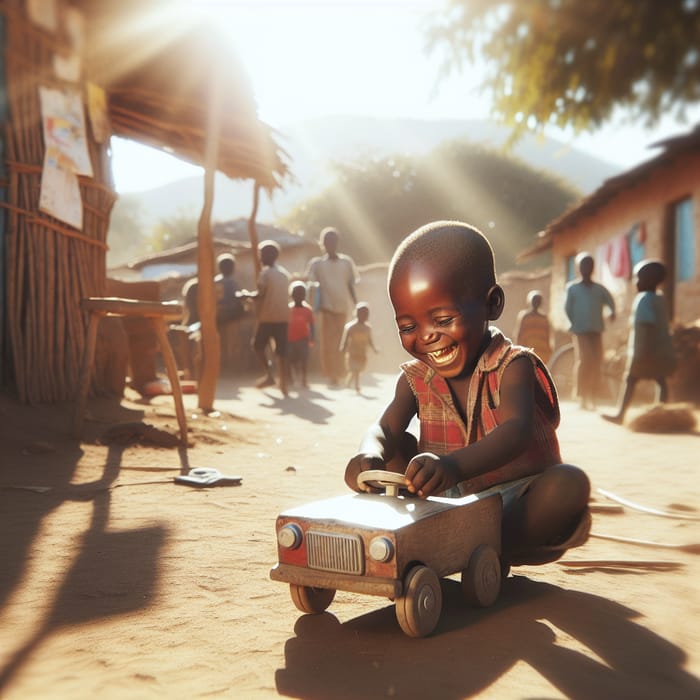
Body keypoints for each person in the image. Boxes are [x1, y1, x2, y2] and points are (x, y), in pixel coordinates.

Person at [344, 221, 591, 567]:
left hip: (512, 499)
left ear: (492, 305)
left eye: (443, 319)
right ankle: (441, 536)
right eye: (409, 327)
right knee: (394, 447)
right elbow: (383, 428)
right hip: (441, 500)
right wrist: (366, 453)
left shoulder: (513, 366)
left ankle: (492, 546)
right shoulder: (415, 379)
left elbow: (516, 432)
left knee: (569, 484)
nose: (427, 336)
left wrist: (453, 465)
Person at [603, 260, 676, 424]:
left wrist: (641, 352)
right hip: (660, 350)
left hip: (644, 351)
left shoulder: (643, 300)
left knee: (630, 379)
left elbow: (645, 327)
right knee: (660, 379)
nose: (636, 282)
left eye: (639, 278)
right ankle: (660, 411)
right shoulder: (660, 299)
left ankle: (621, 414)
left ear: (649, 281)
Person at [306, 227, 358, 387]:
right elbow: (312, 286)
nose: (330, 244)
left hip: (342, 307)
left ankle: (341, 371)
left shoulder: (346, 262)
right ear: (322, 244)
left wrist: (356, 304)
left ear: (337, 243)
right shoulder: (317, 264)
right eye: (327, 241)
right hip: (326, 308)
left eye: (333, 241)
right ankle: (331, 374)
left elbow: (350, 285)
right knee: (328, 344)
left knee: (343, 342)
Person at [564, 252, 616, 410]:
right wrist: (574, 323)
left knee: (596, 361)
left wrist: (613, 312)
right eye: (583, 265)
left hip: (596, 330)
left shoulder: (599, 289)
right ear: (579, 268)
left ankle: (592, 395)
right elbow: (568, 308)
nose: (586, 268)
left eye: (589, 265)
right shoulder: (572, 288)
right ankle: (582, 395)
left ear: (593, 268)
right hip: (580, 331)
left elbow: (610, 301)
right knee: (585, 360)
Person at [239, 240, 290, 395]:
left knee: (258, 345)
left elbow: (260, 294)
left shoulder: (265, 274)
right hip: (283, 317)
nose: (260, 258)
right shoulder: (284, 274)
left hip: (268, 317)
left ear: (268, 256)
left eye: (262, 254)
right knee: (281, 351)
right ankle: (283, 383)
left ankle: (269, 375)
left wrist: (246, 295)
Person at [340, 302, 378, 393]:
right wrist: (343, 347)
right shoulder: (351, 327)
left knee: (357, 369)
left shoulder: (368, 328)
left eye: (366, 314)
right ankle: (357, 385)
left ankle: (348, 382)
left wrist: (374, 349)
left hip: (362, 352)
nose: (364, 316)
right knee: (355, 368)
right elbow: (345, 338)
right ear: (356, 314)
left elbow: (370, 340)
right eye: (362, 313)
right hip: (352, 352)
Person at [287, 281, 315, 389]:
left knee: (304, 359)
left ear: (305, 296)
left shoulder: (308, 310)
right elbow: (284, 324)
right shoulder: (288, 308)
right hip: (289, 339)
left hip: (303, 339)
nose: (299, 296)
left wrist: (312, 338)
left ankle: (304, 379)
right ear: (292, 295)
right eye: (296, 294)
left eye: (301, 294)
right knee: (290, 359)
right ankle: (289, 378)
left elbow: (312, 325)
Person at [513, 290, 552, 364]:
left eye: (538, 301)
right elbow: (519, 334)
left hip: (541, 352)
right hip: (527, 351)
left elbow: (547, 336)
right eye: (535, 300)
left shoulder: (544, 319)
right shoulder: (524, 317)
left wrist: (548, 350)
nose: (536, 303)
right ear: (530, 302)